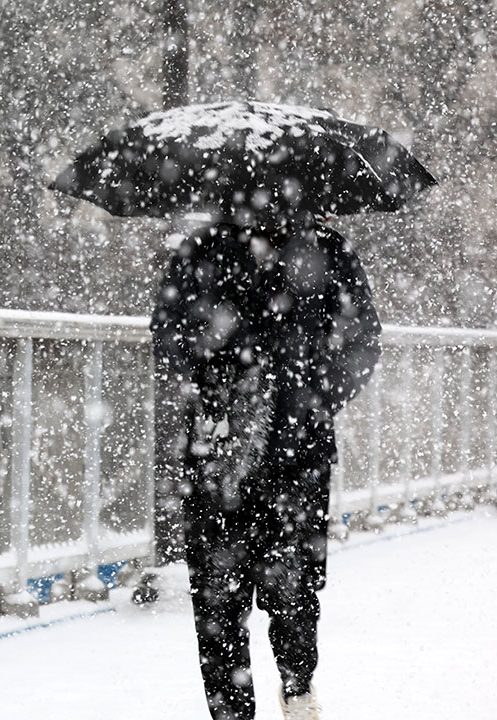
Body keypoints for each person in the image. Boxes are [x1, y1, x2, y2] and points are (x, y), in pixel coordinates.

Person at [150, 209, 381, 720]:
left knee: (252, 589)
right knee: (257, 586)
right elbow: (361, 338)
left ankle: (287, 685)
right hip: (245, 449)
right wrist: (313, 396)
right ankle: (283, 693)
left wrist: (304, 396)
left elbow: (167, 337)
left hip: (249, 448)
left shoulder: (205, 249)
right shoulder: (315, 249)